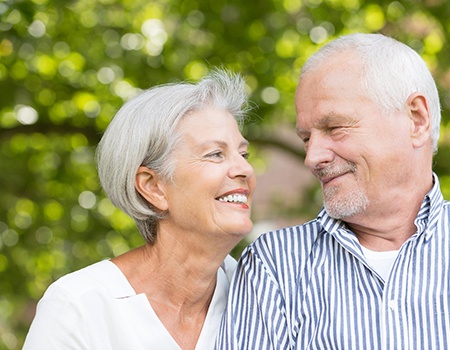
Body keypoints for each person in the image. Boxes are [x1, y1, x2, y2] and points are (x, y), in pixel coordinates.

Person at [216, 33, 450, 349]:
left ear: (417, 120)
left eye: (335, 128)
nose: (312, 158)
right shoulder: (276, 266)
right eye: (306, 139)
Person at [23, 69, 256, 350]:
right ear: (154, 187)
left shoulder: (261, 293)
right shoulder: (79, 307)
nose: (245, 169)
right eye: (215, 154)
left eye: (243, 154)